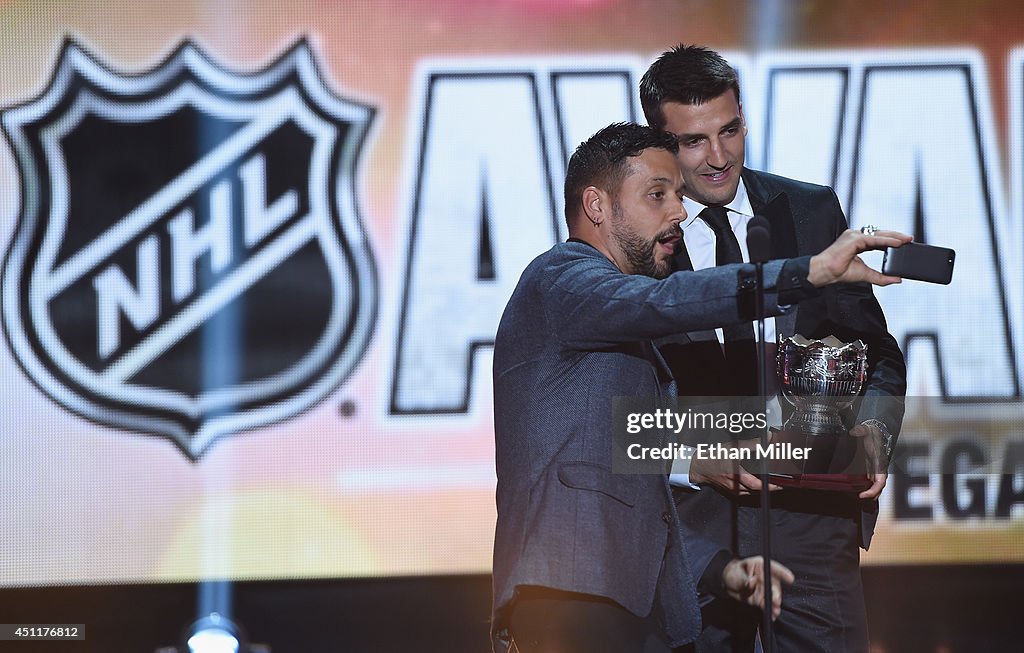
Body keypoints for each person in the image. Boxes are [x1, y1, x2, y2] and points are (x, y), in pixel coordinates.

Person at [490, 121, 910, 653]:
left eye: (677, 195)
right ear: (596, 205)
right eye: (657, 196)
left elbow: (635, 489)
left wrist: (720, 571)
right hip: (571, 595)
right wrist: (810, 271)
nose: (680, 213)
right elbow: (658, 303)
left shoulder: (607, 330)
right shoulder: (560, 279)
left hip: (633, 605)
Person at [639, 45, 908, 652]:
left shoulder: (810, 211)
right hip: (692, 537)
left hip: (813, 530)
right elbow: (608, 400)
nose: (718, 157)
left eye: (730, 130)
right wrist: (691, 457)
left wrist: (875, 432)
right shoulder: (634, 244)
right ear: (659, 145)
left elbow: (879, 354)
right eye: (692, 141)